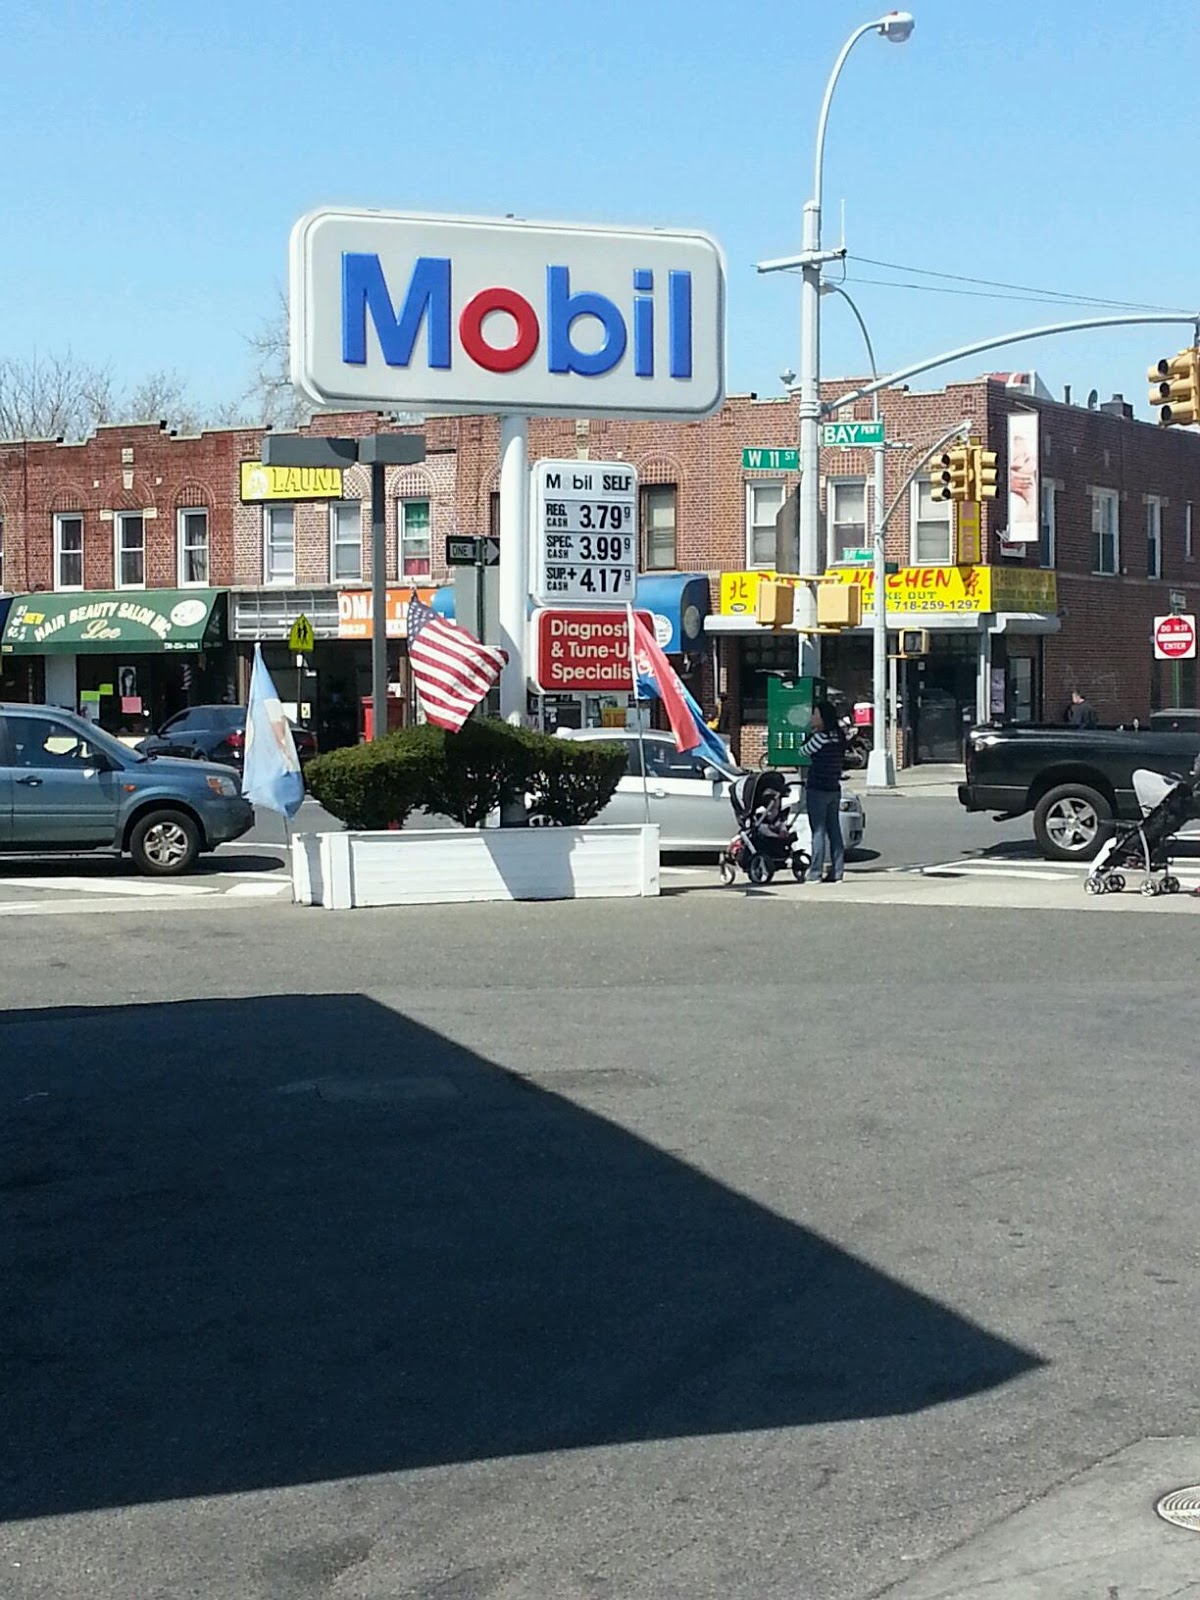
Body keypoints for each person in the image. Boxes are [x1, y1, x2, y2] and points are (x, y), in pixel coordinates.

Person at [796, 699, 847, 884]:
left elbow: (802, 752)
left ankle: (815, 872)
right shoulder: (838, 737)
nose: (812, 717)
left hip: (817, 788)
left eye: (815, 714)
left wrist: (810, 733)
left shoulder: (819, 738)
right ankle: (838, 871)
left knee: (818, 831)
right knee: (834, 830)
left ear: (823, 717)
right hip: (834, 788)